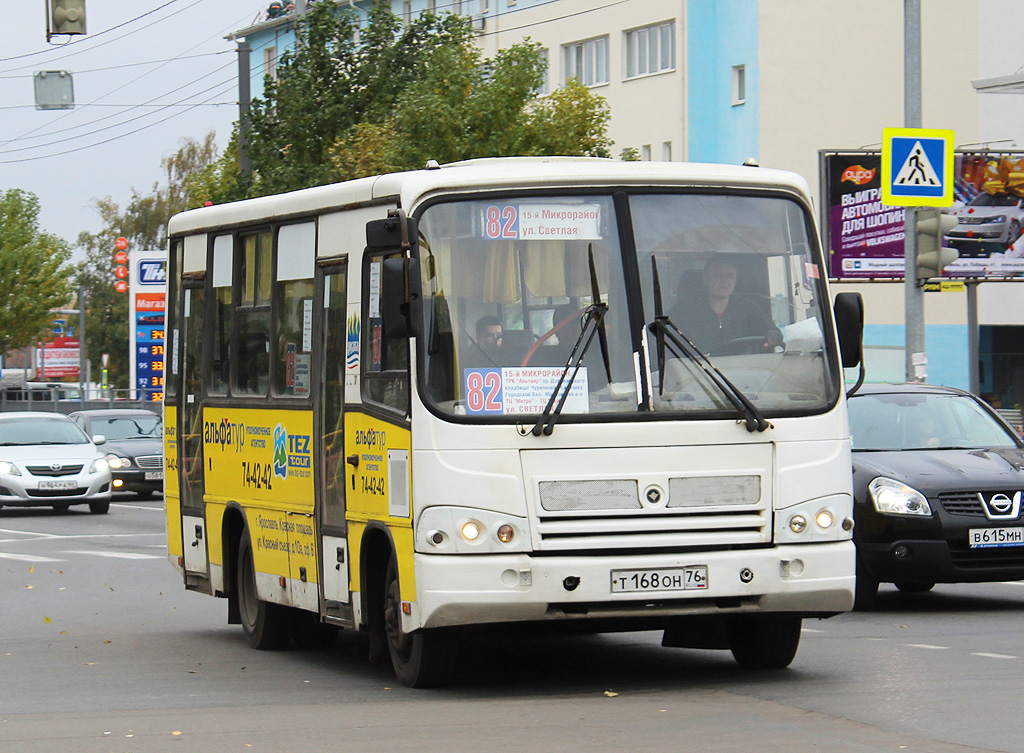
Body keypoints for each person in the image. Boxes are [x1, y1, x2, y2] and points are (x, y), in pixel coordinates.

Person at [669, 254, 783, 355]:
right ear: (706, 279)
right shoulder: (683, 313)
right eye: (718, 275)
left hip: (743, 371)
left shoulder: (748, 308)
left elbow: (772, 331)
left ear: (736, 281)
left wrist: (774, 335)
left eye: (730, 276)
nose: (724, 281)